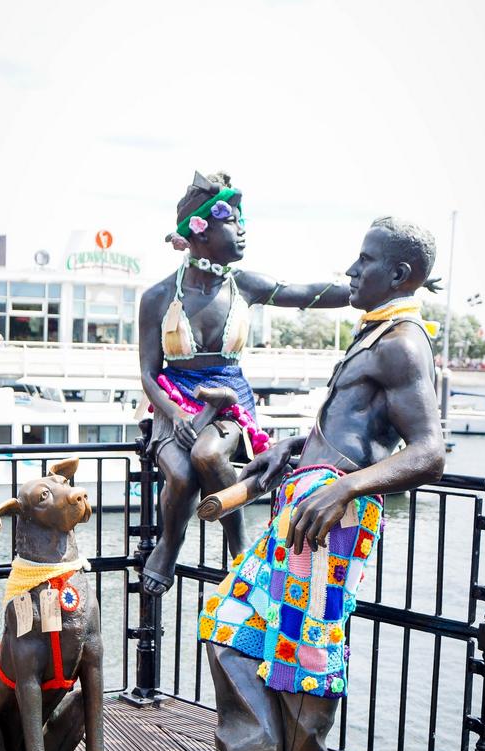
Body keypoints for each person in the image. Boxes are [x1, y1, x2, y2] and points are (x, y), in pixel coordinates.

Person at [168, 216, 446, 751]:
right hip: (312, 501)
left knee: (305, 644)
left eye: (365, 261)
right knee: (234, 619)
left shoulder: (402, 344)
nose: (351, 270)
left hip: (330, 514)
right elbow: (355, 430)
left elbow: (429, 452)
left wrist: (344, 490)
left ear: (399, 275)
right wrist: (293, 450)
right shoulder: (375, 336)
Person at [138, 170, 352, 595]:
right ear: (199, 230)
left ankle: (238, 549)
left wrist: (374, 289)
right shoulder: (158, 296)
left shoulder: (244, 285)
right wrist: (175, 412)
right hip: (174, 400)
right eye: (232, 222)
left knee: (208, 453)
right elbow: (148, 372)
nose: (242, 230)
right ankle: (171, 541)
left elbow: (304, 292)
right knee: (179, 475)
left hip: (228, 399)